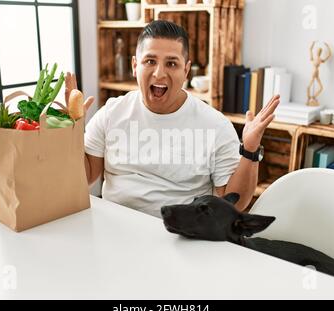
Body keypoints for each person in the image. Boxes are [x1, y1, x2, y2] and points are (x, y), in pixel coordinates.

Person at [65, 20, 280, 217]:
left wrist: (250, 150)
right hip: (116, 227)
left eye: (171, 64)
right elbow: (85, 175)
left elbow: (234, 203)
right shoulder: (112, 113)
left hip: (182, 234)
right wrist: (70, 132)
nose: (159, 73)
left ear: (186, 70)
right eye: (150, 61)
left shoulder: (215, 125)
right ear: (134, 66)